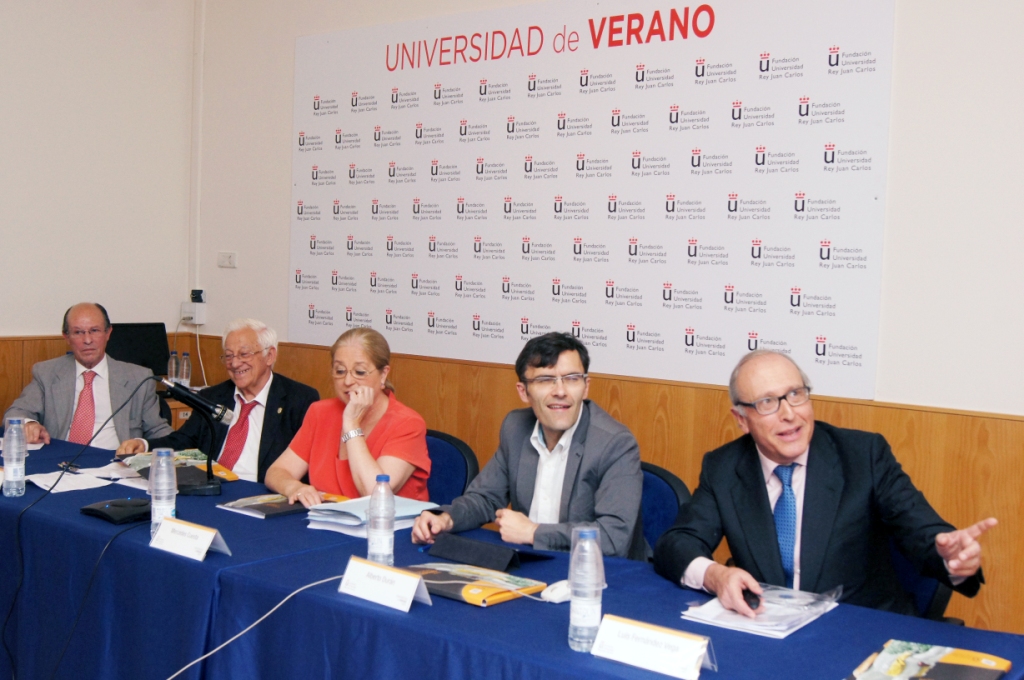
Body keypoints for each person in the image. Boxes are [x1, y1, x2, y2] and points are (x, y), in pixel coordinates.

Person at [653, 350, 998, 617]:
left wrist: (953, 559)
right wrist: (715, 576)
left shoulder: (863, 456)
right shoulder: (725, 467)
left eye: (796, 394)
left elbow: (923, 532)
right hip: (767, 631)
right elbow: (677, 543)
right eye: (767, 403)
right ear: (742, 419)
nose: (789, 414)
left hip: (858, 632)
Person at [412, 332, 646, 560]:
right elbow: (485, 498)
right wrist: (446, 518)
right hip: (534, 562)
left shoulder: (614, 443)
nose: (560, 391)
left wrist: (533, 532)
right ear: (523, 391)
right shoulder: (516, 428)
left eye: (572, 379)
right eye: (545, 380)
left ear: (585, 387)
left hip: (599, 572)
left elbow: (613, 537)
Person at [116, 319, 319, 484]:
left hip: (262, 492)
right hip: (212, 488)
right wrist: (144, 445)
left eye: (244, 354)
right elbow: (182, 441)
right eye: (228, 356)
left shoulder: (299, 400)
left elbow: (307, 466)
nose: (235, 363)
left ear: (270, 356)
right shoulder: (212, 396)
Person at [265, 327, 430, 505]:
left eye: (359, 372)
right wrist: (294, 487)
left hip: (385, 521)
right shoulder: (320, 412)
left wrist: (351, 424)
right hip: (325, 519)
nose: (348, 381)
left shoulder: (408, 423)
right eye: (340, 371)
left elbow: (374, 493)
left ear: (383, 375)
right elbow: (277, 471)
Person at [4, 303, 173, 449]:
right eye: (78, 332)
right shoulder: (47, 373)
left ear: (108, 333)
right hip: (59, 462)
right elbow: (15, 413)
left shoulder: (139, 378)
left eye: (94, 331)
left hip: (116, 463)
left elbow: (158, 430)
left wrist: (145, 444)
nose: (87, 340)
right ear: (66, 337)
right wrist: (29, 424)